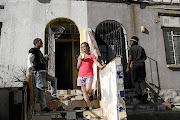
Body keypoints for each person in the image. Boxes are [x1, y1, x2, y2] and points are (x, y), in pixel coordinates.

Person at [27, 38, 58, 112]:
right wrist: (30, 68)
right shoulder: (33, 50)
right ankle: (43, 107)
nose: (42, 44)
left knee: (54, 79)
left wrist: (45, 58)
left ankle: (53, 96)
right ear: (36, 43)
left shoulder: (39, 52)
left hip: (43, 72)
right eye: (41, 42)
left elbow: (39, 60)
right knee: (41, 89)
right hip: (39, 72)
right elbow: (29, 59)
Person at [77, 42, 106, 110]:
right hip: (81, 75)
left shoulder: (91, 56)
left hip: (89, 75)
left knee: (87, 89)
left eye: (84, 47)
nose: (83, 48)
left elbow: (96, 62)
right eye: (81, 47)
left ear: (88, 48)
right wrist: (80, 60)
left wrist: (101, 66)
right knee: (84, 90)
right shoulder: (80, 56)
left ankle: (90, 95)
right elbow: (78, 66)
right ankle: (87, 105)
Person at [126, 36, 147, 101]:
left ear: (134, 42)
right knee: (141, 79)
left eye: (131, 41)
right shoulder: (141, 48)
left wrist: (127, 67)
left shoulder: (131, 49)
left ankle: (139, 94)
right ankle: (144, 90)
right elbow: (145, 57)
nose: (130, 42)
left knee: (134, 80)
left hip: (135, 65)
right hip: (142, 64)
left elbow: (129, 58)